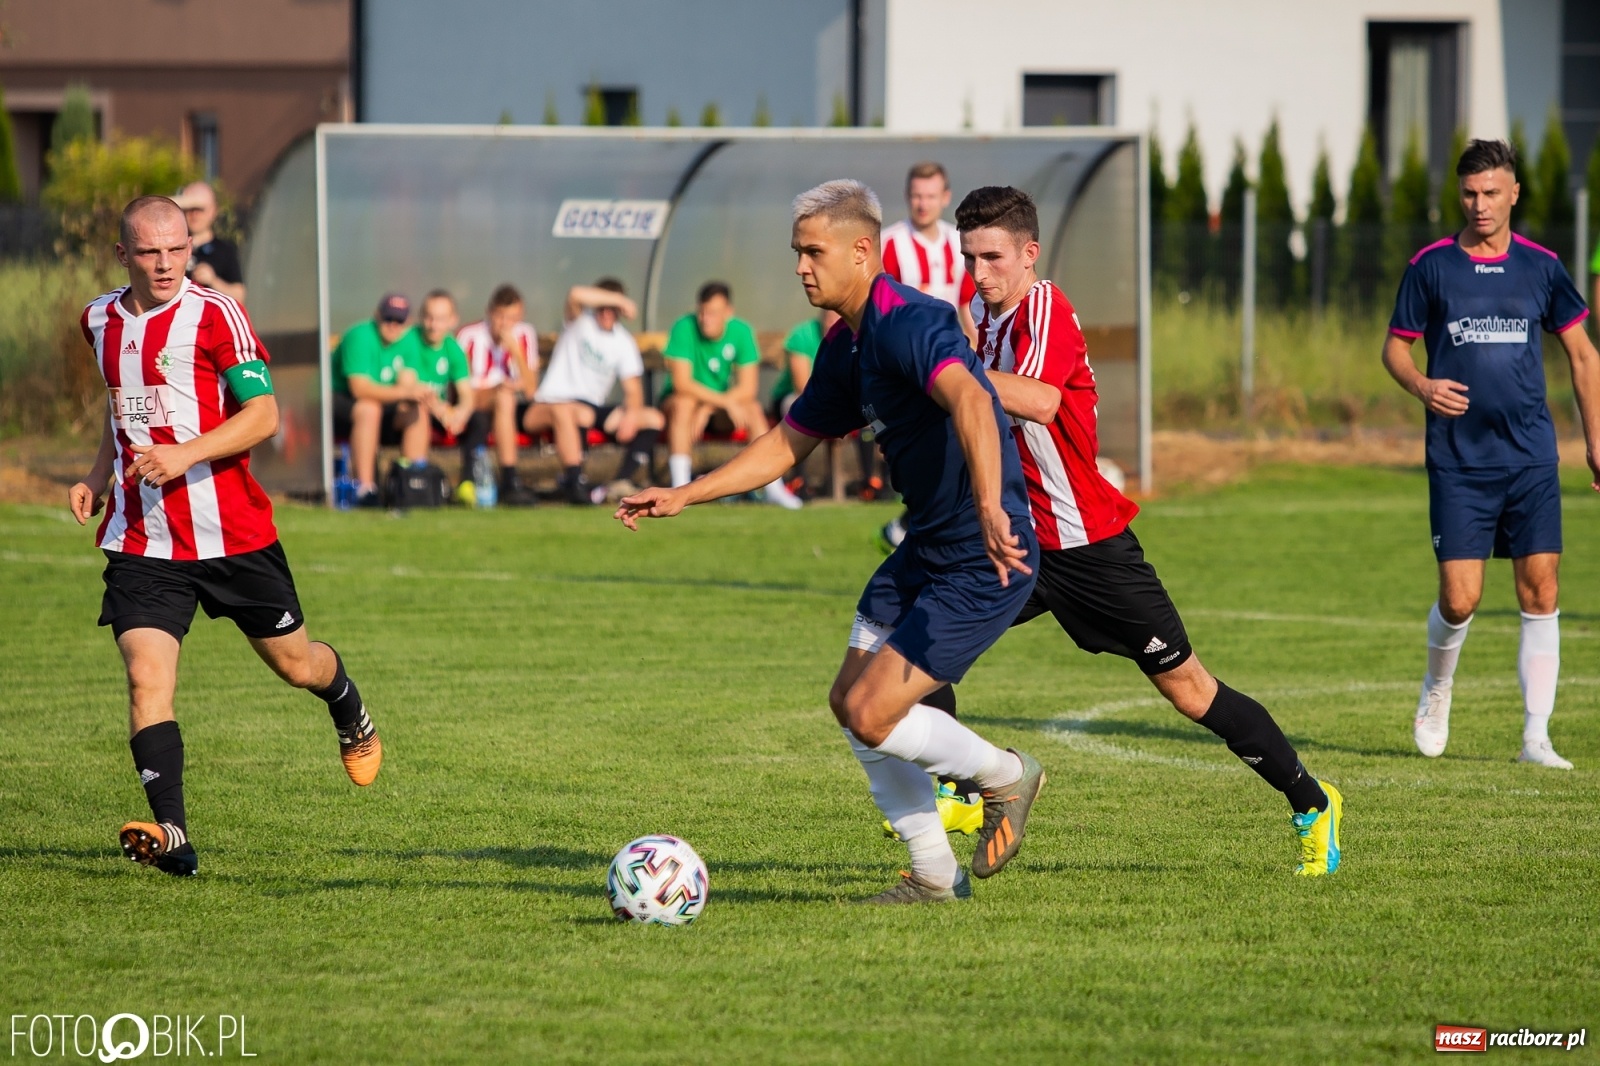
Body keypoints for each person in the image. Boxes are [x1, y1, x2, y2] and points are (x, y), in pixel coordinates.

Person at [617, 179, 1045, 904]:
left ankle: (1005, 775)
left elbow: (973, 396)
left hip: (981, 554)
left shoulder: (908, 320)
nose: (800, 266)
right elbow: (788, 444)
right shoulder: (847, 345)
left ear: (861, 251)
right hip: (923, 552)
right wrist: (684, 493)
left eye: (813, 251)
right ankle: (935, 875)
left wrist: (986, 502)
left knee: (873, 712)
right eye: (796, 252)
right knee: (849, 701)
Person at [957, 185, 1342, 875]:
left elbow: (1040, 400)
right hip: (1021, 543)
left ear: (1028, 254)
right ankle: (963, 787)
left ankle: (1313, 802)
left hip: (1091, 547)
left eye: (991, 258)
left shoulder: (1046, 307)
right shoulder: (983, 323)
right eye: (970, 258)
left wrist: (944, 372)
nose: (979, 273)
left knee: (1191, 691)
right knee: (923, 640)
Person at [68, 196, 383, 877]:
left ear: (190, 246)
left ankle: (346, 702)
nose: (165, 263)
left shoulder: (217, 314)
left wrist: (186, 454)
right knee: (145, 678)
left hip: (232, 535)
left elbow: (264, 414)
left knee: (297, 667)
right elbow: (120, 407)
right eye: (150, 252)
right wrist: (97, 474)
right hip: (143, 541)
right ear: (123, 254)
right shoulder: (98, 320)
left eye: (177, 249)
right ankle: (172, 832)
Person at [1383, 138, 1600, 769]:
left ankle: (1537, 737)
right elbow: (1395, 348)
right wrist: (1422, 385)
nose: (1479, 206)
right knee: (1461, 599)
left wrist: (1594, 440)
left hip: (1531, 456)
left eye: (1491, 194)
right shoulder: (1431, 266)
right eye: (1469, 195)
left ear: (1513, 194)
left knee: (1541, 590)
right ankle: (1437, 687)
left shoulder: (1541, 266)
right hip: (1458, 460)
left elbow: (1583, 355)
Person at [876, 161, 979, 543]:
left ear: (945, 198)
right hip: (907, 362)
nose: (923, 204)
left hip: (952, 355)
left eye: (931, 196)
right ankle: (913, 524)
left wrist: (977, 346)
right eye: (917, 196)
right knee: (935, 441)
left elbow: (967, 303)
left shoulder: (959, 241)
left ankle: (912, 526)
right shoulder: (889, 242)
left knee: (957, 437)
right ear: (908, 197)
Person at [660, 281, 803, 509]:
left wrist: (710, 408)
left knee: (753, 409)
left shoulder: (742, 331)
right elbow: (682, 384)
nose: (706, 318)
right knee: (684, 404)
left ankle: (774, 488)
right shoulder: (683, 327)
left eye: (713, 313)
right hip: (685, 408)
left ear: (728, 312)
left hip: (718, 409)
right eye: (702, 312)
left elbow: (748, 388)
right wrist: (722, 402)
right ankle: (680, 489)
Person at [522, 278, 664, 504]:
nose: (607, 313)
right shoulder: (579, 322)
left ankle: (620, 482)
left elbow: (633, 390)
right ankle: (575, 482)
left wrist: (630, 415)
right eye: (603, 306)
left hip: (591, 407)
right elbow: (575, 294)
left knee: (652, 418)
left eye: (613, 309)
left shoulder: (623, 341)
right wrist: (617, 298)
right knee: (570, 412)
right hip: (551, 402)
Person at [331, 293, 434, 506]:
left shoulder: (409, 342)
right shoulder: (359, 335)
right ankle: (365, 489)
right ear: (378, 316)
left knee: (416, 411)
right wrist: (407, 392)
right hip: (336, 405)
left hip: (381, 404)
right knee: (369, 409)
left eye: (399, 321)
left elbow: (409, 381)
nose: (393, 326)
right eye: (389, 319)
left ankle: (412, 486)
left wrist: (422, 398)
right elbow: (359, 389)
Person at [455, 284, 538, 505]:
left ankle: (510, 480)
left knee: (505, 399)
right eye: (500, 317)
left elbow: (531, 390)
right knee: (503, 397)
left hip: (506, 404)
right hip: (475, 401)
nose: (505, 325)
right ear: (489, 312)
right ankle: (509, 479)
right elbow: (461, 386)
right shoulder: (469, 335)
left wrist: (516, 352)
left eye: (512, 318)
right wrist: (499, 388)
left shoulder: (525, 335)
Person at [410, 289, 475, 467]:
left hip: (441, 412)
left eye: (440, 319)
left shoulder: (453, 348)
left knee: (477, 420)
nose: (433, 325)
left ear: (453, 320)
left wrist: (460, 414)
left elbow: (466, 394)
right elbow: (410, 387)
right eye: (429, 317)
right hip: (414, 408)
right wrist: (441, 410)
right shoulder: (409, 340)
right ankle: (416, 477)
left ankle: (470, 481)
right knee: (417, 411)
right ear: (421, 316)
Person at [174, 181, 245, 304]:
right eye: (189, 208)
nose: (194, 214)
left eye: (200, 209)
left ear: (214, 211)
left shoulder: (224, 250)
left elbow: (240, 296)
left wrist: (213, 280)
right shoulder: (172, 248)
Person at [769, 309, 839, 418]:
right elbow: (802, 387)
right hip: (792, 396)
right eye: (829, 317)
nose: (832, 322)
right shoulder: (802, 334)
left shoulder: (855, 336)